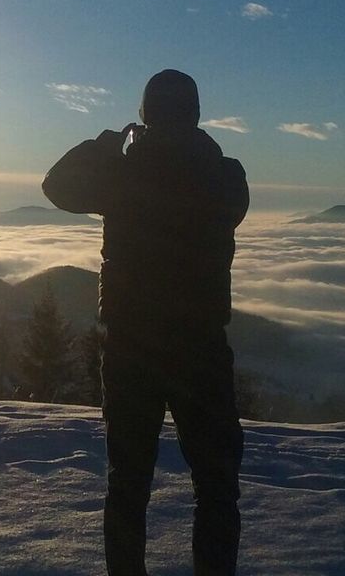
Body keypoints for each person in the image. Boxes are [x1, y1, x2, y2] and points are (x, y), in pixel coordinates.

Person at [42, 69, 248, 576]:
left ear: (146, 115)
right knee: (216, 486)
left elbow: (57, 185)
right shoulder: (224, 175)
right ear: (196, 114)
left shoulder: (122, 175)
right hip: (202, 349)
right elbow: (228, 199)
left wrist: (110, 141)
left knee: (128, 484)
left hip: (132, 349)